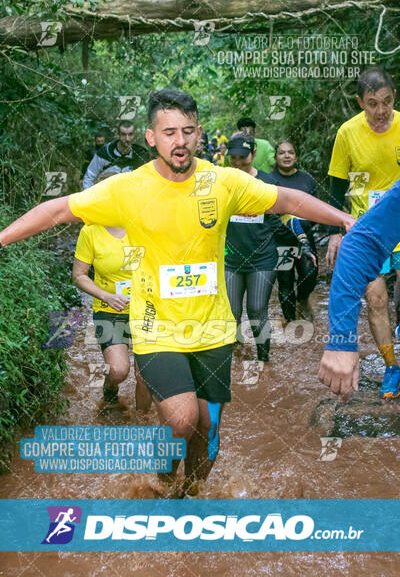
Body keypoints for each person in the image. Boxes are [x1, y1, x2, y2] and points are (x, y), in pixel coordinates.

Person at [0, 88, 354, 496]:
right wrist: (3, 239)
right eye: (169, 132)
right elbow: (57, 210)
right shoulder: (128, 189)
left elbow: (288, 200)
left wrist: (343, 218)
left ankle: (191, 495)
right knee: (183, 419)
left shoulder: (223, 182)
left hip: (214, 330)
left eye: (187, 131)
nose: (179, 141)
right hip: (155, 330)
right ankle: (164, 481)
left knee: (206, 435)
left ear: (199, 133)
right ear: (152, 137)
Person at [326, 67, 400, 398]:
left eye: (387, 102)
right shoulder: (347, 133)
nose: (381, 111)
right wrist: (335, 232)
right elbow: (335, 186)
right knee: (376, 299)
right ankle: (392, 368)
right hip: (365, 229)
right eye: (372, 103)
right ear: (360, 102)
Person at [319, 180, 400, 399]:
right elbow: (357, 245)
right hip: (376, 227)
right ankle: (392, 366)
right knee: (376, 300)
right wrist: (341, 340)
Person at [73, 224, 152, 409]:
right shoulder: (90, 231)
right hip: (110, 310)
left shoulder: (147, 223)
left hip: (148, 310)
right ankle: (109, 390)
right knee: (118, 371)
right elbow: (79, 276)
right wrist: (106, 296)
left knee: (146, 376)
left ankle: (142, 424)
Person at [224, 133, 279, 362]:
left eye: (242, 157)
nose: (237, 162)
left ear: (254, 154)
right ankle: (235, 356)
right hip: (229, 259)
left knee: (257, 310)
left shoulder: (267, 182)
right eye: (233, 157)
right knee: (231, 313)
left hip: (262, 258)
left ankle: (264, 361)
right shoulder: (223, 182)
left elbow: (281, 218)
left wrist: (303, 243)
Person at [268, 141, 318, 322]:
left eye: (290, 152)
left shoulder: (307, 179)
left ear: (296, 156)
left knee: (310, 275)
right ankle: (290, 322)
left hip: (305, 238)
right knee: (285, 281)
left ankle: (303, 299)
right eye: (282, 153)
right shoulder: (269, 180)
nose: (287, 156)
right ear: (276, 157)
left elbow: (317, 207)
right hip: (281, 239)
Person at [82, 120, 149, 189]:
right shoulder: (104, 153)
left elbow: (149, 179)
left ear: (134, 135)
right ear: (118, 135)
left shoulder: (141, 154)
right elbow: (89, 178)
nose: (127, 138)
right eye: (123, 134)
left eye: (130, 134)